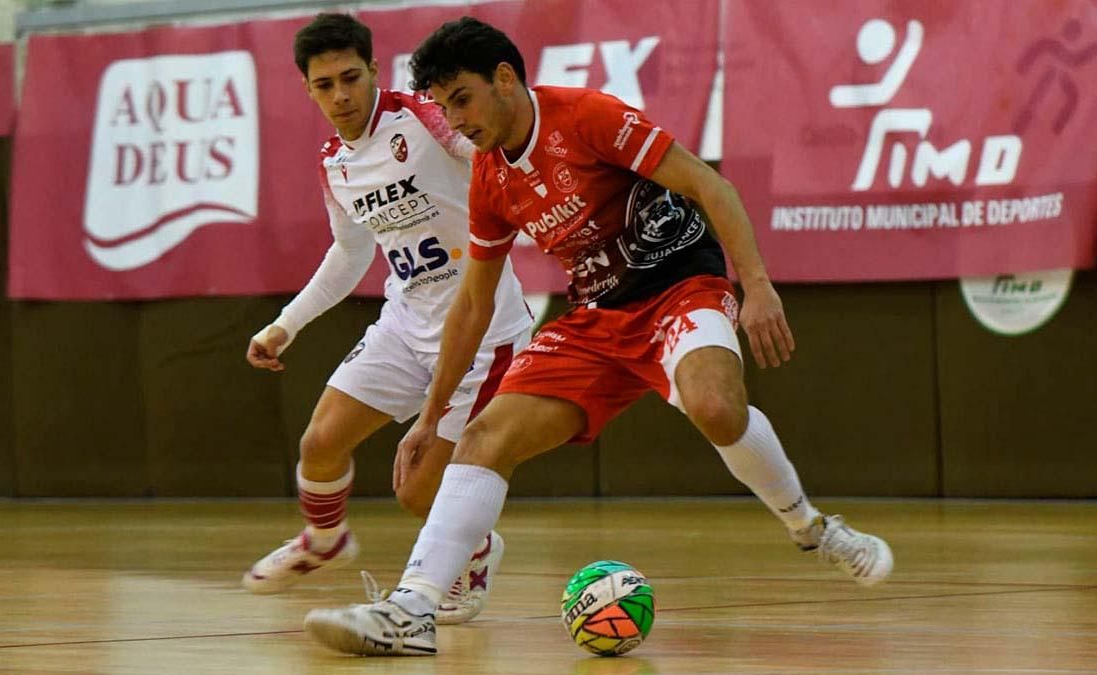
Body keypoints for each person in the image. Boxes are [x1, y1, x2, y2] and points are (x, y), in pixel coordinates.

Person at [303, 17, 894, 656]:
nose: (456, 119)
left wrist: (755, 285)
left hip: (678, 290)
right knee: (481, 438)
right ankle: (410, 611)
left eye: (463, 99)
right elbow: (473, 304)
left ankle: (813, 529)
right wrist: (429, 416)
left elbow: (707, 184)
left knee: (716, 407)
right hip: (596, 320)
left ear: (505, 78)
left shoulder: (586, 116)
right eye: (444, 105)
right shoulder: (489, 178)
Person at [241, 13, 533, 626]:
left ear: (375, 69)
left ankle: (475, 552)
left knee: (417, 492)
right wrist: (285, 325)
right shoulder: (334, 163)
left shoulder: (426, 119)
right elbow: (351, 254)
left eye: (351, 77)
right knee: (320, 444)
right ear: (308, 90)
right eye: (325, 85)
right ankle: (325, 541)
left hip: (482, 329)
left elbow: (490, 146)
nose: (341, 95)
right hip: (404, 323)